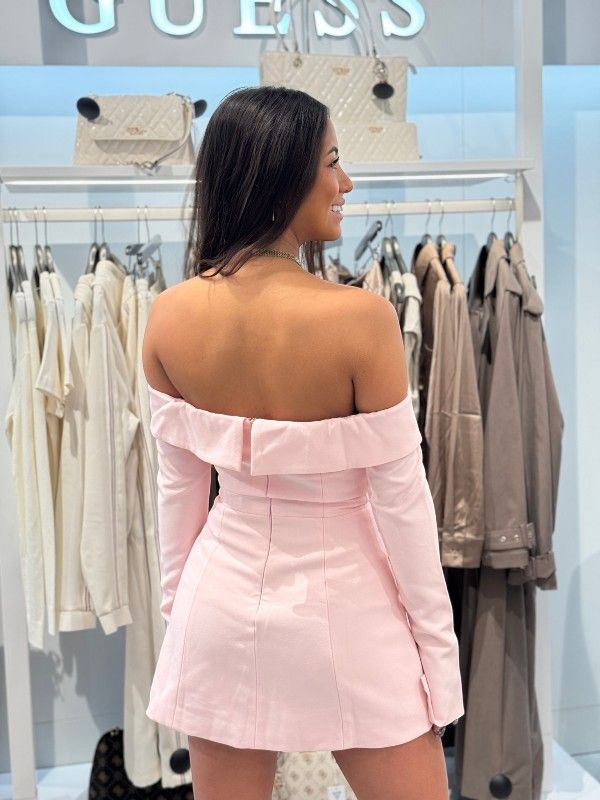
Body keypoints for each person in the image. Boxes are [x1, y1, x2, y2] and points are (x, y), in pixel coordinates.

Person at [142, 86, 463, 800]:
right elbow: (405, 510)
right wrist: (440, 669)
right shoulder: (361, 320)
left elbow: (177, 497)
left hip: (218, 605)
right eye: (333, 161)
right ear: (280, 175)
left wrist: (181, 623)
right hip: (349, 607)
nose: (346, 182)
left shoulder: (168, 317)